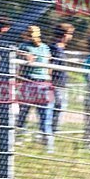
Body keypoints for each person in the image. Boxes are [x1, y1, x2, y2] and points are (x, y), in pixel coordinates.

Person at [16, 25, 55, 153]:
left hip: (30, 82)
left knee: (23, 115)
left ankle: (19, 140)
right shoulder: (44, 47)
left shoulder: (26, 46)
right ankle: (48, 147)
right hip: (43, 84)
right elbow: (49, 65)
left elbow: (21, 65)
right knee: (44, 118)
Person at [49, 23, 74, 133]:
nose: (71, 37)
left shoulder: (62, 49)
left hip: (61, 84)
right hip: (55, 84)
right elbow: (50, 67)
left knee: (60, 109)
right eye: (70, 34)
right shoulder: (54, 49)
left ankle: (53, 132)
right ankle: (50, 132)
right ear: (64, 35)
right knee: (55, 109)